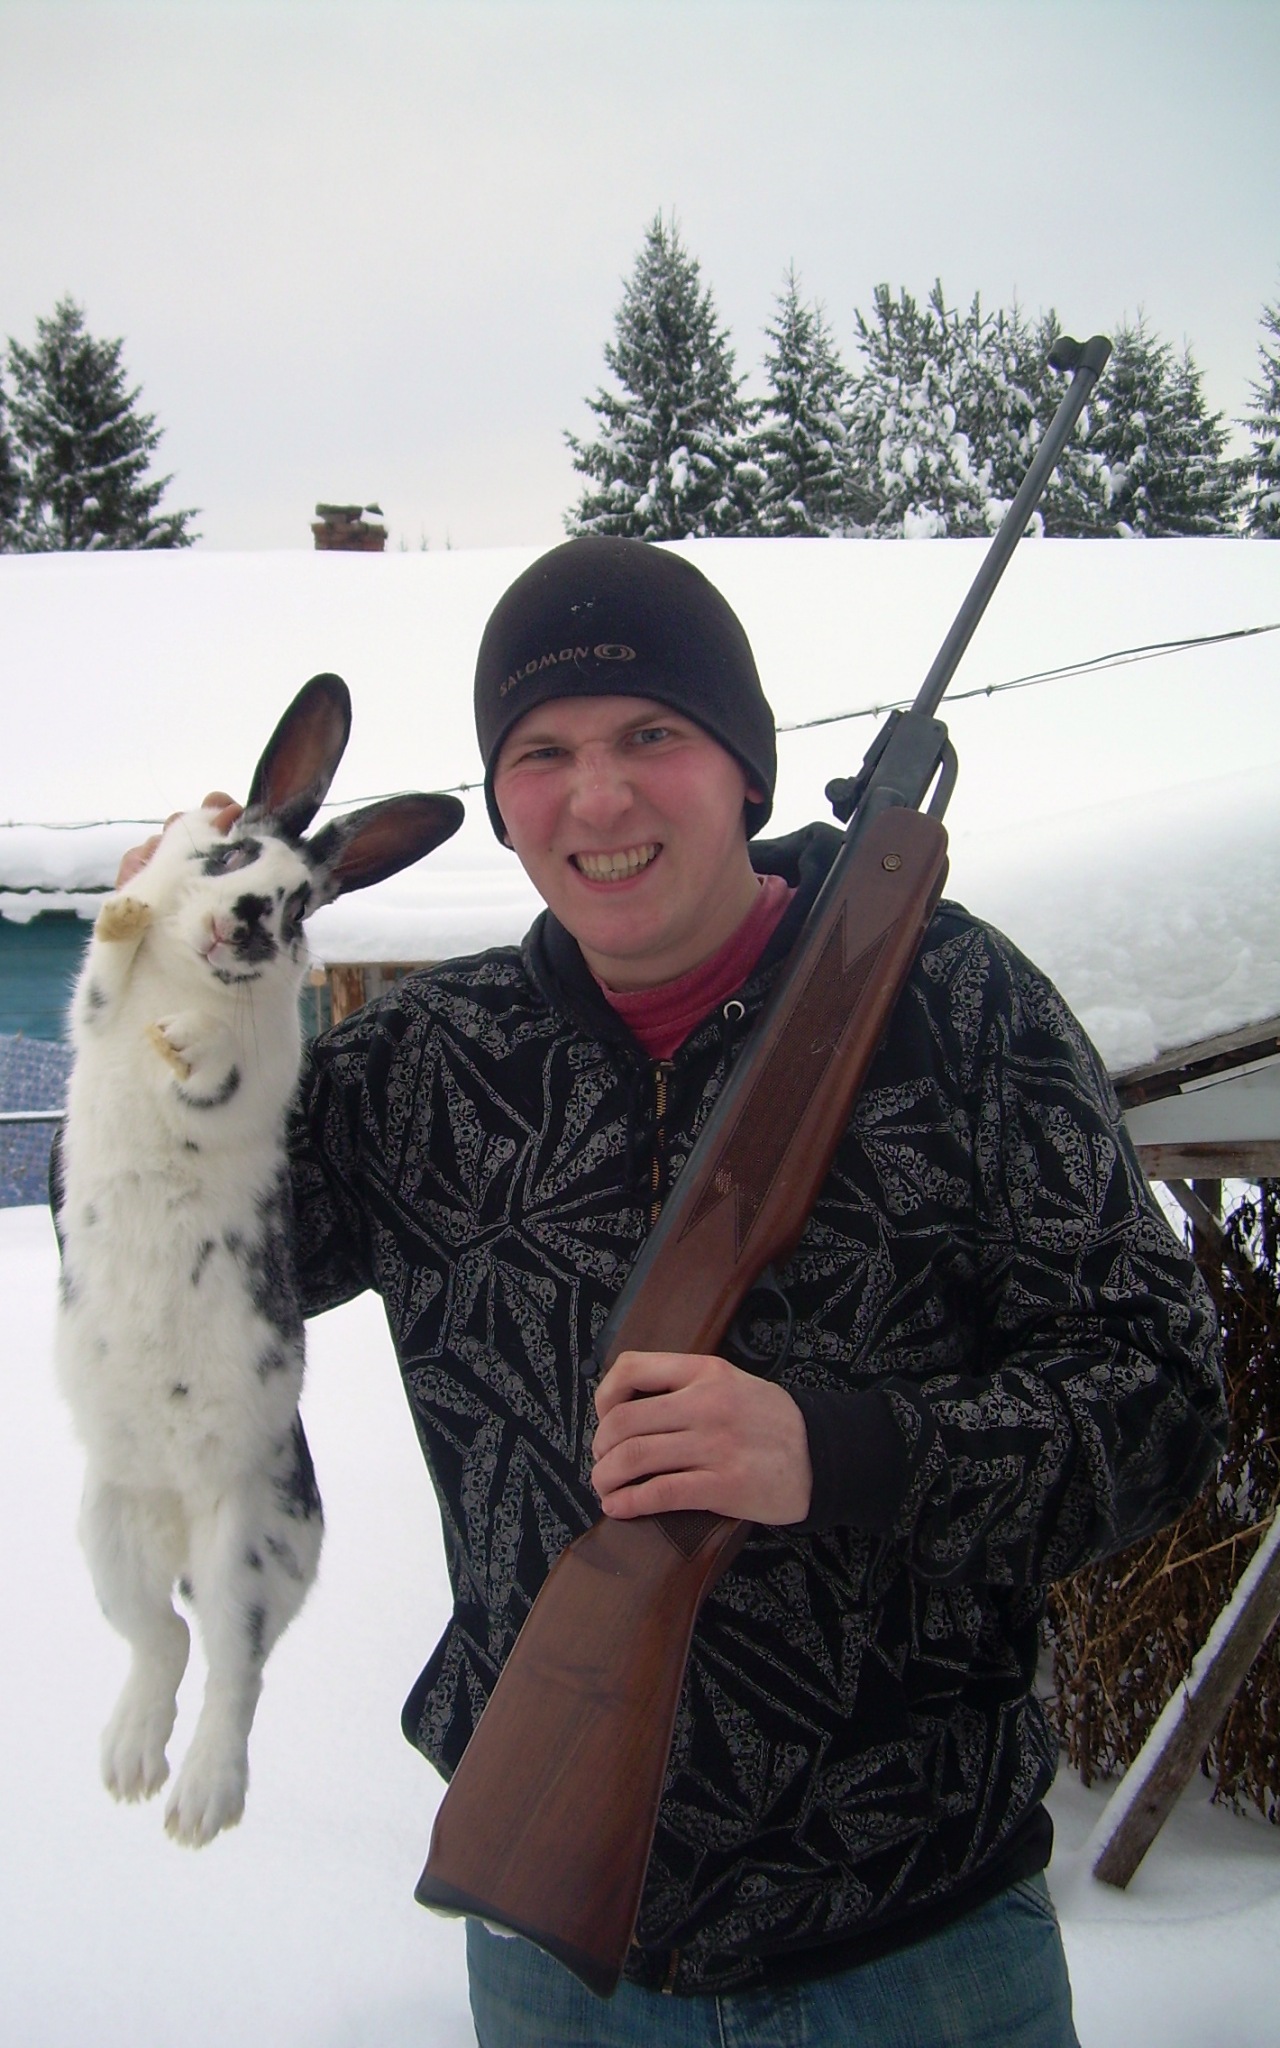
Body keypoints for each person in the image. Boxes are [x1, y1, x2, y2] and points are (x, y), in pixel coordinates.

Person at [122, 539, 1226, 2047]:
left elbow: (1161, 1398)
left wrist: (837, 1452)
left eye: (652, 734)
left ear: (744, 769)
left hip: (922, 1945)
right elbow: (153, 1275)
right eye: (542, 753)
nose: (598, 798)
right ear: (499, 800)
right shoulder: (422, 1069)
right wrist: (157, 1006)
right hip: (557, 1957)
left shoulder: (960, 1008)